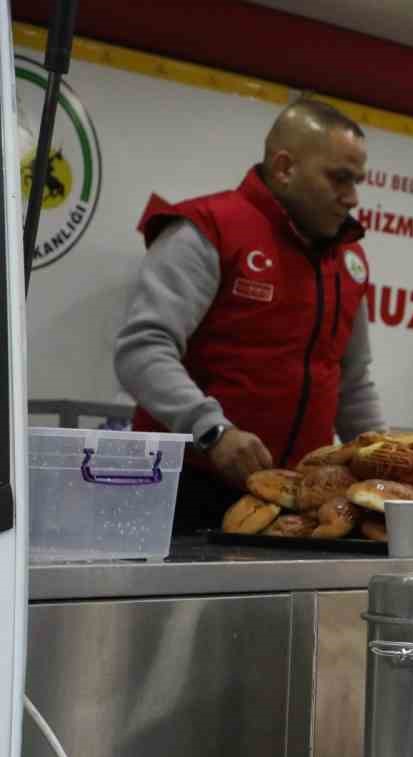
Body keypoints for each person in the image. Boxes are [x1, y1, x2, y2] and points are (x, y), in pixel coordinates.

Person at [114, 96, 385, 531]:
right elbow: (142, 350)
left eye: (357, 182)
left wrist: (387, 465)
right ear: (284, 167)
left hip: (299, 509)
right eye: (339, 179)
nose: (352, 198)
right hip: (183, 492)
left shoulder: (349, 263)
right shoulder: (207, 229)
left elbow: (353, 388)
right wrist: (212, 431)